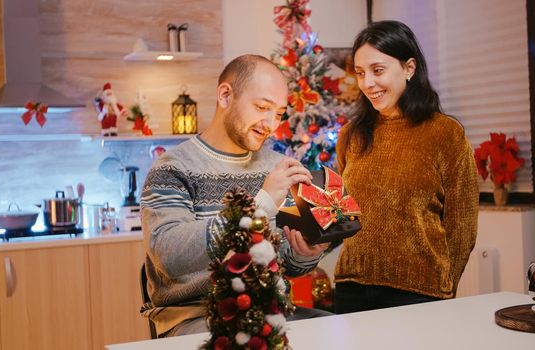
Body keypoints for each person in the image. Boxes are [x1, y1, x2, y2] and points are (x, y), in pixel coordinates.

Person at [140, 54, 331, 338]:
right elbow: (168, 256)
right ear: (226, 95)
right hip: (197, 315)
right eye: (262, 107)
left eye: (278, 113)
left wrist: (304, 254)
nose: (270, 124)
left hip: (271, 309)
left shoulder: (276, 166)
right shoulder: (173, 168)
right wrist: (262, 206)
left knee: (338, 332)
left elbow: (286, 264)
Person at [333, 20, 479, 314]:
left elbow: (462, 224)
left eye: (378, 70)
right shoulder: (351, 134)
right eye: (360, 73)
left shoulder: (445, 133)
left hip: (419, 293)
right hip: (352, 289)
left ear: (409, 68)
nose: (367, 83)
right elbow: (341, 211)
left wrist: (445, 286)